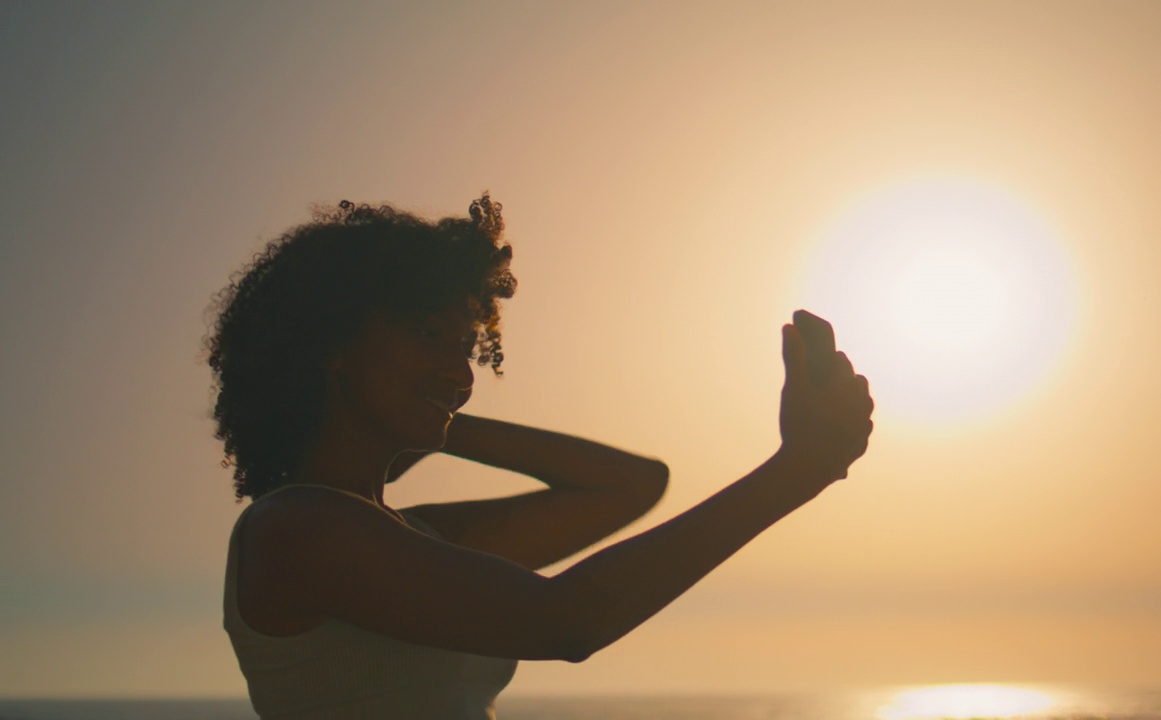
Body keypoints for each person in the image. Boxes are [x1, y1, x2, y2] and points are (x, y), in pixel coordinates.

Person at [202, 194, 874, 719]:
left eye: (466, 347)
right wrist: (797, 472)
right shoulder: (295, 530)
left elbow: (629, 485)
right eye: (428, 334)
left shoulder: (412, 538)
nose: (459, 374)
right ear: (330, 344)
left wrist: (426, 416)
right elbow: (569, 620)